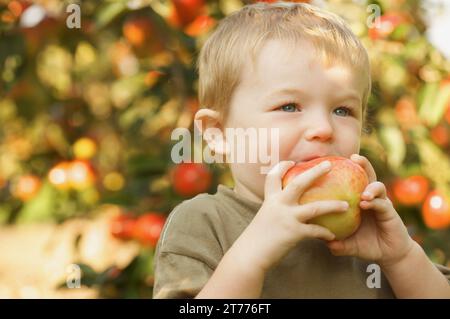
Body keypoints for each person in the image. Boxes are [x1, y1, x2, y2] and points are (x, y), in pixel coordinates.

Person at [153, 1, 450, 298]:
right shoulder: (204, 223)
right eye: (289, 106)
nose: (323, 128)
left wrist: (401, 257)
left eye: (343, 110)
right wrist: (251, 257)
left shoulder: (369, 231)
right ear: (219, 134)